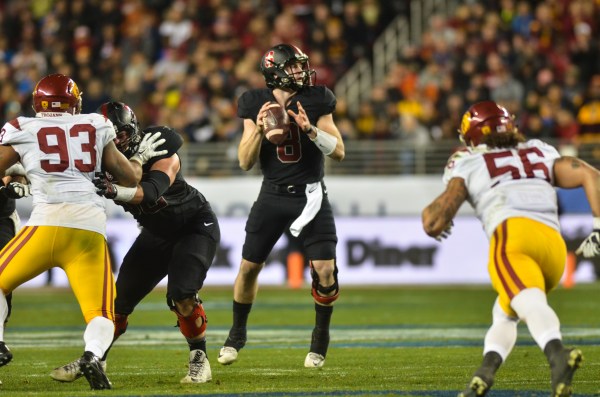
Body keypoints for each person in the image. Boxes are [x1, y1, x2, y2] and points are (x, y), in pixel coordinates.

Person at [0, 74, 166, 390]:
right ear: (74, 103)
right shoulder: (94, 125)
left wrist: (22, 171)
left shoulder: (23, 127)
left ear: (38, 102)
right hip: (88, 228)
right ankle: (92, 354)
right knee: (101, 312)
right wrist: (140, 158)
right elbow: (130, 178)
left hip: (47, 224)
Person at [421, 100, 593, 397]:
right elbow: (590, 175)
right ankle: (484, 374)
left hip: (513, 237)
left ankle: (557, 353)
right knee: (505, 311)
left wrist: (441, 215)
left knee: (530, 304)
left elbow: (433, 221)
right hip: (553, 247)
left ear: (472, 136)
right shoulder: (540, 149)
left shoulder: (467, 160)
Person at [51, 101, 220, 384]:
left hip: (194, 227)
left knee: (182, 295)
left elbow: (151, 192)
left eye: (121, 136)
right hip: (156, 233)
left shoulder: (159, 145)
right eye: (109, 138)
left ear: (134, 131)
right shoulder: (99, 161)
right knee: (116, 304)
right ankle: (95, 358)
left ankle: (199, 358)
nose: (116, 143)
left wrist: (116, 189)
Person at [217, 43, 345, 368]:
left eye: (302, 66)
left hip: (311, 194)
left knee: (325, 270)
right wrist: (259, 129)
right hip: (272, 194)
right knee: (249, 268)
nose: (301, 72)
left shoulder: (318, 99)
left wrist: (311, 130)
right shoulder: (253, 102)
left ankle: (320, 339)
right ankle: (237, 333)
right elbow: (245, 161)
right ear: (275, 71)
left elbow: (339, 150)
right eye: (294, 67)